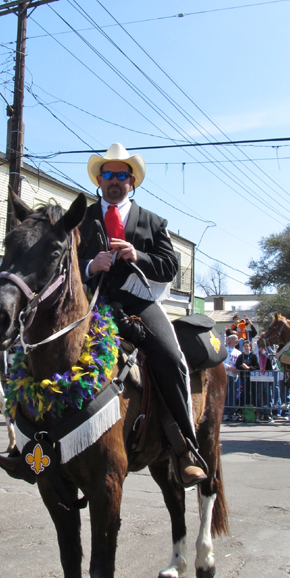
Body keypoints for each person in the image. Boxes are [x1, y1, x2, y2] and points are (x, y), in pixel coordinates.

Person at [78, 143, 206, 486]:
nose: (115, 180)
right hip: (93, 306)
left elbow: (170, 266)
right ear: (99, 180)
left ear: (132, 182)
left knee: (172, 358)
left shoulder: (152, 221)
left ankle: (186, 450)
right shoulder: (82, 219)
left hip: (139, 305)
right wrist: (90, 265)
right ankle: (35, 441)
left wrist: (138, 255)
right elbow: (62, 263)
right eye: (109, 174)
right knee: (41, 345)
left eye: (122, 175)